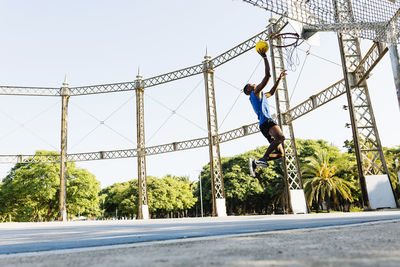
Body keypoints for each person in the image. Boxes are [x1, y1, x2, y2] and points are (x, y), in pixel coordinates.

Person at [243, 49, 286, 177]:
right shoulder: (254, 93)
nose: (254, 84)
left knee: (281, 154)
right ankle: (264, 157)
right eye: (252, 84)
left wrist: (279, 79)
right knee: (281, 138)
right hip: (267, 122)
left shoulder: (261, 96)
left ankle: (256, 163)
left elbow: (271, 92)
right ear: (249, 90)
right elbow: (267, 76)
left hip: (263, 125)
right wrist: (265, 58)